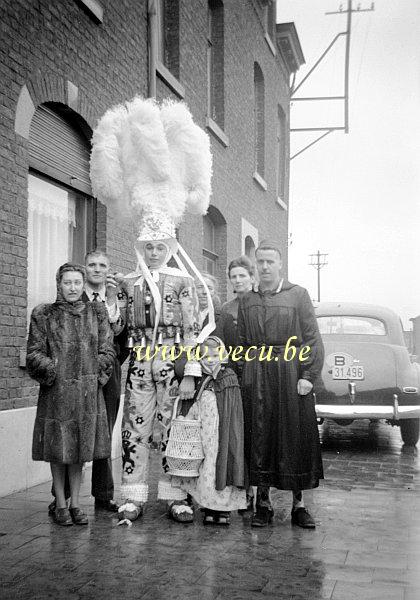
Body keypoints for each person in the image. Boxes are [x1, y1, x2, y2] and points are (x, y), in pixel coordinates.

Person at [89, 96, 214, 523]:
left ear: (171, 247)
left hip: (173, 363)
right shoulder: (126, 281)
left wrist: (189, 373)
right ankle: (134, 495)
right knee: (135, 429)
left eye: (162, 246)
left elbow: (195, 331)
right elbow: (120, 325)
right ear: (141, 247)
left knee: (174, 429)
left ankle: (177, 495)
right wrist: (109, 305)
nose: (156, 251)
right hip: (139, 364)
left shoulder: (183, 282)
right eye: (149, 246)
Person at [238, 240, 324, 528]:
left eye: (269, 262)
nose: (264, 267)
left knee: (293, 435)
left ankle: (299, 505)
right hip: (257, 374)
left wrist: (308, 376)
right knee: (261, 436)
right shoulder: (247, 299)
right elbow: (240, 341)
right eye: (259, 262)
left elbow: (312, 338)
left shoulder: (297, 295)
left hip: (290, 373)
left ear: (279, 265)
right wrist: (242, 375)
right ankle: (264, 504)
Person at [26, 263, 115, 526]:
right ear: (59, 284)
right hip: (57, 393)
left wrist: (93, 374)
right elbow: (33, 353)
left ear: (83, 284)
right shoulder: (44, 314)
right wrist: (54, 370)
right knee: (58, 450)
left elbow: (107, 350)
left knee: (80, 450)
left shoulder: (96, 312)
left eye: (77, 282)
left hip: (88, 395)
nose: (73, 288)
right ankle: (61, 504)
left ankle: (76, 503)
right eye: (67, 283)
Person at [171, 336, 247, 525]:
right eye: (205, 356)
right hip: (203, 434)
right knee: (205, 465)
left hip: (222, 434)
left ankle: (223, 509)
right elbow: (191, 403)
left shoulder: (228, 377)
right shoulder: (199, 380)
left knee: (220, 464)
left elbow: (233, 409)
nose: (210, 360)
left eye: (215, 355)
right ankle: (208, 506)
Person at [216, 255, 255, 374]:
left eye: (242, 276)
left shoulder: (262, 304)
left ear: (252, 278)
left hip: (257, 360)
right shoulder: (226, 308)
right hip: (234, 363)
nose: (238, 280)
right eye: (234, 277)